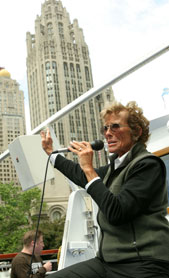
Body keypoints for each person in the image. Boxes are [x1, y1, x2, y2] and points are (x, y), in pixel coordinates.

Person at [41, 101, 169, 278]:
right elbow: (81, 175)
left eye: (115, 127)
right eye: (106, 129)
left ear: (137, 132)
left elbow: (117, 212)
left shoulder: (147, 165)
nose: (108, 133)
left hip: (142, 263)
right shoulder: (113, 169)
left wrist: (88, 169)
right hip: (106, 262)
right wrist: (52, 154)